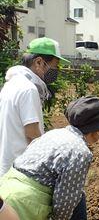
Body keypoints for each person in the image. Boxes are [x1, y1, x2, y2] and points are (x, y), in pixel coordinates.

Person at [0, 96, 99, 220]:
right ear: (97, 130)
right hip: (25, 205)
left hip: (5, 192)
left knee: (80, 197)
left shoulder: (54, 134)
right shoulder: (80, 152)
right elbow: (65, 203)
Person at [0, 37, 70, 177]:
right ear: (39, 62)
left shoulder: (10, 85)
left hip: (7, 168)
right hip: (21, 172)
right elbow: (32, 133)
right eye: (55, 66)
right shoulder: (28, 89)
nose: (56, 71)